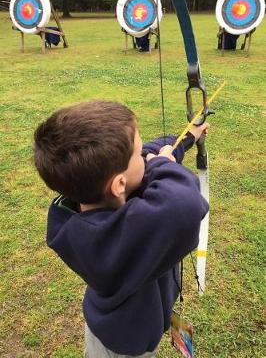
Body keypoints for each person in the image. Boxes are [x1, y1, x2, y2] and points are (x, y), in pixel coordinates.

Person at [33, 100, 209, 358]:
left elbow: (143, 161)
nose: (145, 156)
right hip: (127, 345)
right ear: (118, 185)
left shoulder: (79, 207)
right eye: (138, 154)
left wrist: (184, 139)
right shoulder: (131, 234)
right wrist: (163, 164)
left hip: (106, 327)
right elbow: (184, 201)